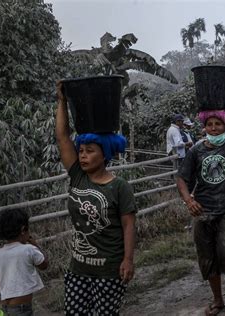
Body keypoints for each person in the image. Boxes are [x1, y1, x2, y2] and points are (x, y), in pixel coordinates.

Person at [56, 81, 136, 315]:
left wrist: (128, 260)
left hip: (109, 270)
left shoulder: (120, 187)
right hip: (78, 268)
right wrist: (61, 101)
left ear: (106, 153)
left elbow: (129, 225)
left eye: (90, 151)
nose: (83, 155)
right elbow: (62, 137)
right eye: (81, 150)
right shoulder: (78, 176)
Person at [176, 67, 225, 316]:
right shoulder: (196, 151)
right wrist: (189, 200)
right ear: (204, 126)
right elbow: (182, 179)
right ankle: (217, 299)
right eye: (210, 124)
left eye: (219, 123)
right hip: (203, 212)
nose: (215, 127)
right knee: (207, 258)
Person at [0, 208, 48, 316]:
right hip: (22, 308)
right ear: (23, 230)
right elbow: (44, 264)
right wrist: (36, 244)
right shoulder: (29, 249)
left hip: (5, 306)